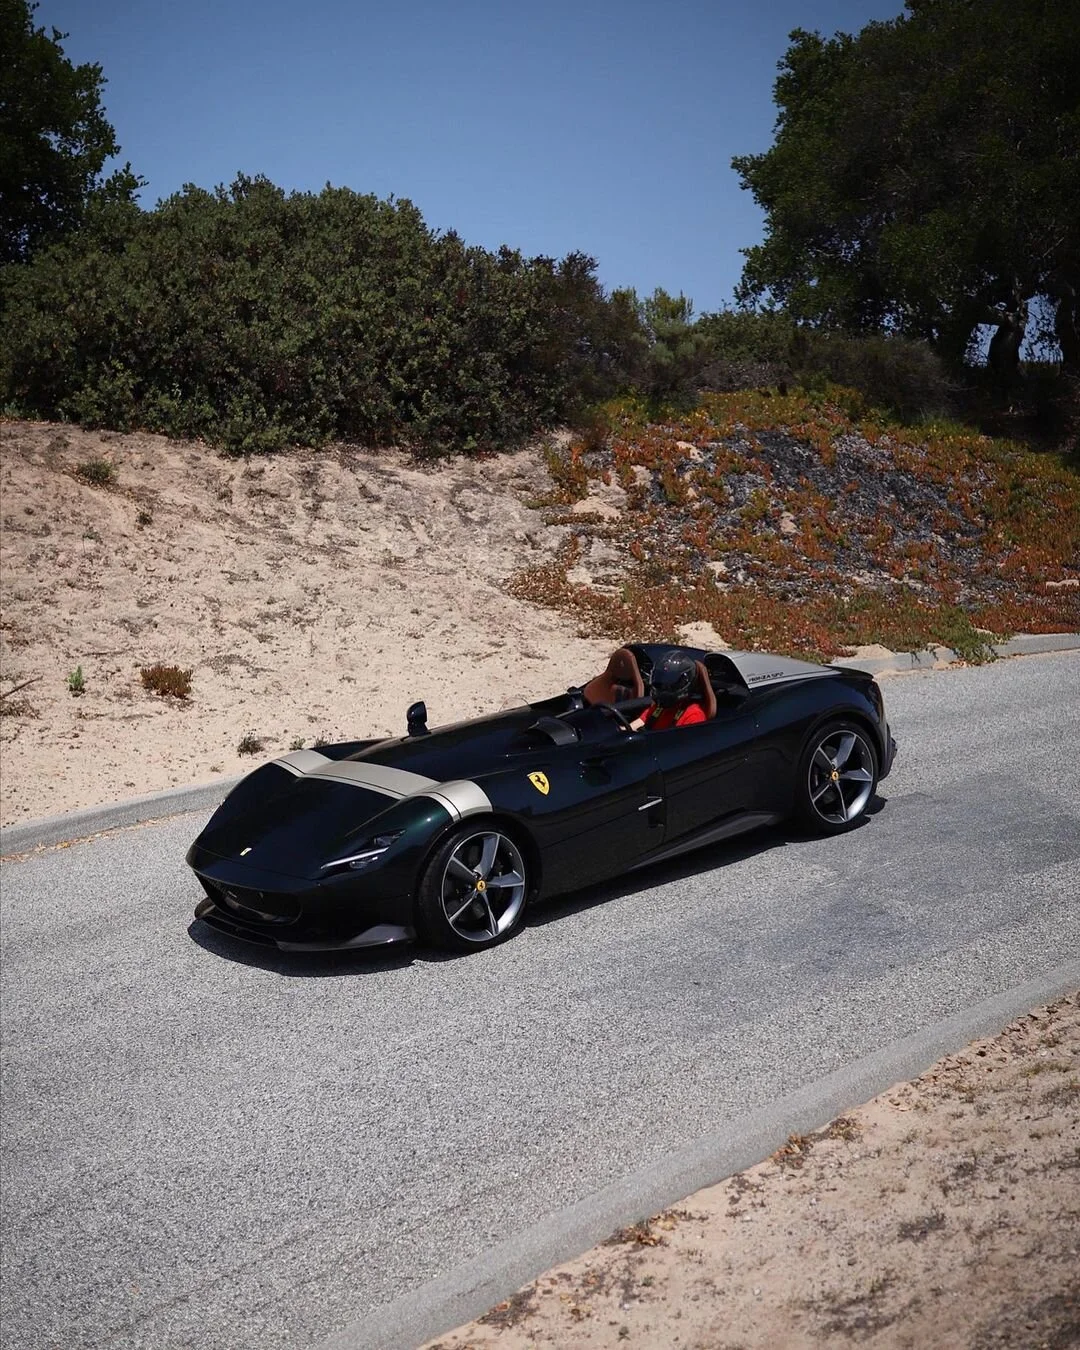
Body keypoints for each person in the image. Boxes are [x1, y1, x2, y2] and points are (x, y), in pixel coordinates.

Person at [631, 652, 706, 730]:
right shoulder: (658, 708)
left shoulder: (693, 716)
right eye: (661, 680)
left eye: (669, 681)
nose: (663, 686)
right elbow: (633, 726)